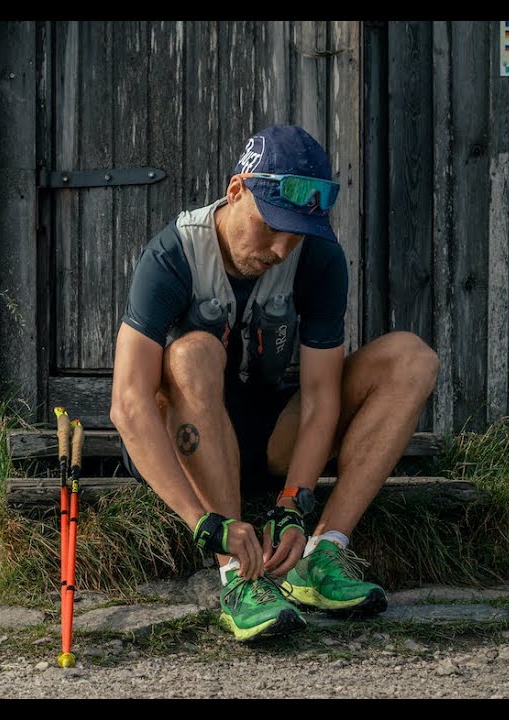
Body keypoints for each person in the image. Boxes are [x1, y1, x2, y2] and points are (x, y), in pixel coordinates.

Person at [109, 123, 440, 641]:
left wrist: (294, 502)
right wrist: (203, 523)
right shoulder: (172, 254)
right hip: (186, 440)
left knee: (411, 358)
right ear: (236, 190)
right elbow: (128, 403)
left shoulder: (319, 258)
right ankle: (238, 580)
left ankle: (322, 556)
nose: (283, 248)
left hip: (269, 437)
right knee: (193, 352)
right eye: (272, 226)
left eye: (298, 233)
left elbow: (321, 399)